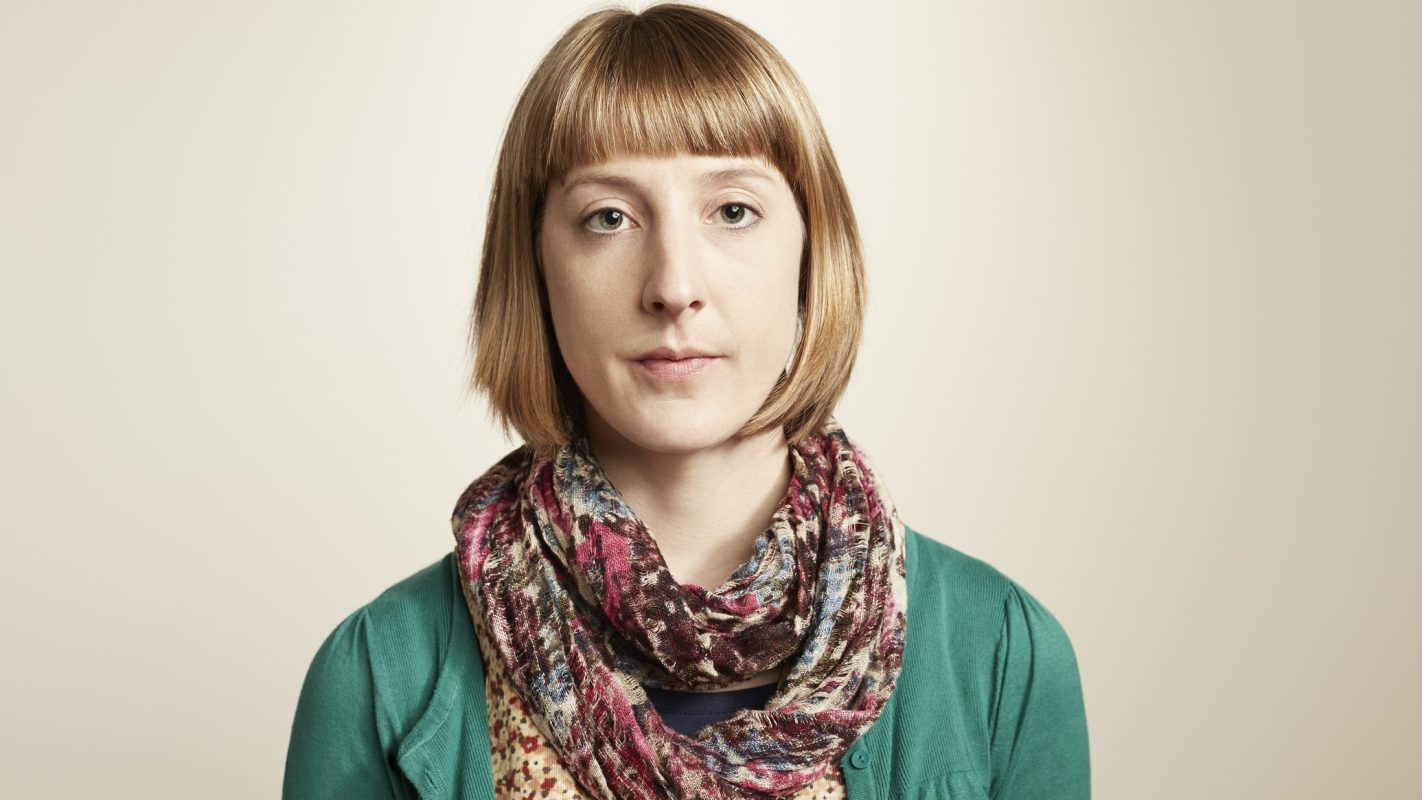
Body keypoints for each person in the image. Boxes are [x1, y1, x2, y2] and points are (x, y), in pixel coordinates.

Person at [282, 4, 1090, 799]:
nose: (673, 285)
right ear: (535, 266)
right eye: (609, 217)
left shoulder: (1001, 656)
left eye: (733, 211)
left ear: (812, 250)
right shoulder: (380, 676)